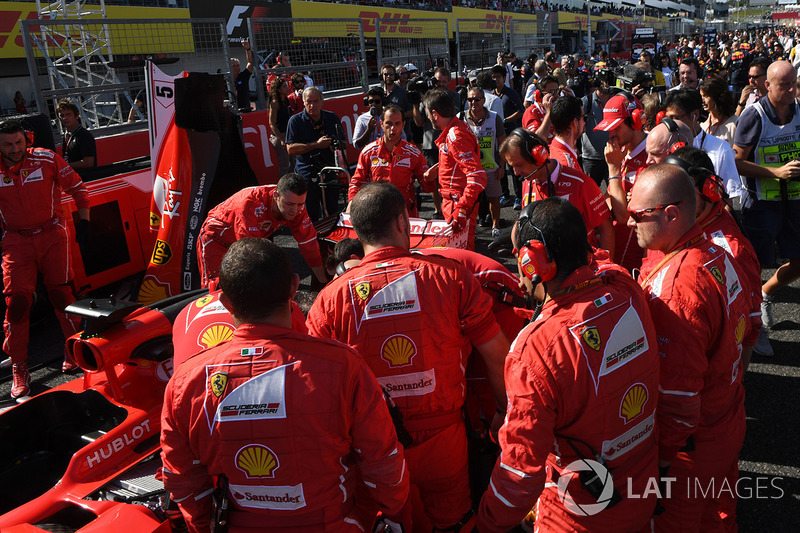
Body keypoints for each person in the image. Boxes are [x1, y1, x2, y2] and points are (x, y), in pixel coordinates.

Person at [161, 238, 411, 532]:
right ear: (294, 287)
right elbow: (381, 458)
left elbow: (181, 477)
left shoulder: (184, 382)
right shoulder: (343, 365)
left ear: (225, 302)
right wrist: (392, 511)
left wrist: (204, 525)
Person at [307, 182, 509, 532]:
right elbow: (496, 354)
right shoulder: (450, 276)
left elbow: (314, 391)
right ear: (404, 221)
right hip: (444, 438)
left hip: (372, 448)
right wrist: (503, 413)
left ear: (357, 230)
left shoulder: (328, 300)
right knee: (455, 522)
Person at [476, 197, 660, 533]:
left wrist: (486, 523)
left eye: (519, 257)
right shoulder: (625, 288)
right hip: (643, 487)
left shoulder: (535, 349)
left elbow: (520, 471)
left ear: (533, 263)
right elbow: (603, 265)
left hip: (577, 512)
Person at [627, 164, 749, 532]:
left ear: (671, 214)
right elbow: (751, 330)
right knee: (718, 519)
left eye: (636, 215)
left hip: (689, 450)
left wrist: (661, 463)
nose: (629, 223)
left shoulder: (678, 287)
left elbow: (676, 395)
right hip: (727, 416)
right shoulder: (718, 253)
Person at [0, 120, 90, 397]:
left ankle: (73, 349)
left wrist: (85, 223)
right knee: (16, 304)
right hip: (15, 240)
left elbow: (79, 188)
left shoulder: (47, 158)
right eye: (7, 145)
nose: (15, 149)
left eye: (19, 143)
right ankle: (19, 366)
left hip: (52, 233)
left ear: (26, 139)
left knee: (62, 296)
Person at [664, 147, 762, 371]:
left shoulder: (733, 251)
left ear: (707, 189)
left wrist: (735, 381)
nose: (672, 199)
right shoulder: (676, 221)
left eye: (682, 191)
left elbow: (751, 325)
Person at [734, 60, 800, 357]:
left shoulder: (799, 110)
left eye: (794, 83)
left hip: (795, 203)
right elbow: (735, 162)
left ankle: (765, 295)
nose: (791, 90)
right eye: (784, 85)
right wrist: (775, 172)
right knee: (753, 268)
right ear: (767, 86)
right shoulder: (754, 114)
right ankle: (753, 326)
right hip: (761, 205)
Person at [196, 173, 326, 288]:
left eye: (300, 204)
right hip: (216, 241)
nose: (295, 210)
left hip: (245, 239)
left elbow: (310, 245)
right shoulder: (250, 204)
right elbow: (249, 254)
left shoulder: (295, 206)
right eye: (289, 204)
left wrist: (324, 283)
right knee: (217, 288)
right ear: (276, 196)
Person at [500, 129, 613, 256]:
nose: (516, 173)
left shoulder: (580, 183)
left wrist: (606, 267)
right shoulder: (528, 182)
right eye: (512, 167)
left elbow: (606, 227)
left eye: (519, 165)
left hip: (580, 267)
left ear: (538, 156)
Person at [423, 88, 487, 250]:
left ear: (435, 114)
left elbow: (477, 176)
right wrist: (438, 169)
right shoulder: (457, 128)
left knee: (461, 260)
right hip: (453, 202)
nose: (428, 118)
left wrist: (462, 208)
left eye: (428, 114)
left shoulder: (455, 134)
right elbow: (458, 162)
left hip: (457, 204)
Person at [594, 92, 650, 270]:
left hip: (637, 255)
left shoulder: (652, 156)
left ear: (635, 121)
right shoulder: (622, 150)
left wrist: (613, 169)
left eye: (616, 127)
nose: (611, 134)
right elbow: (610, 197)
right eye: (609, 128)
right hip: (617, 247)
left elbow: (624, 216)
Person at [349, 105, 431, 217]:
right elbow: (357, 182)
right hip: (377, 214)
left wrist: (430, 177)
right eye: (389, 123)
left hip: (406, 215)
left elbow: (427, 187)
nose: (393, 128)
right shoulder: (368, 152)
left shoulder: (414, 153)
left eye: (397, 123)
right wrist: (351, 203)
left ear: (403, 125)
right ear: (381, 124)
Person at [663, 89, 740, 207]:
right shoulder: (663, 146)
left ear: (695, 115)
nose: (671, 124)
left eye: (676, 118)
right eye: (668, 119)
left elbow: (728, 198)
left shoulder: (721, 149)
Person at [286, 87, 345, 221]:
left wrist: (335, 145)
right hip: (307, 175)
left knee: (332, 213)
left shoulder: (332, 118)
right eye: (309, 102)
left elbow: (344, 143)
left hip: (330, 172)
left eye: (316, 101)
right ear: (304, 102)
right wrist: (316, 145)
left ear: (322, 101)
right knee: (311, 216)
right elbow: (291, 149)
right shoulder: (295, 121)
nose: (312, 105)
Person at [464, 87, 505, 237]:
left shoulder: (494, 118)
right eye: (470, 100)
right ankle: (469, 229)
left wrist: (502, 166)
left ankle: (496, 226)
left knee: (494, 199)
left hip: (491, 168)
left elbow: (503, 144)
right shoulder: (461, 118)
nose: (473, 102)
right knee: (470, 201)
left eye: (477, 99)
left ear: (483, 100)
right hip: (470, 171)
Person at [580, 80, 612, 187]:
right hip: (591, 159)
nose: (606, 83)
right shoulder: (586, 101)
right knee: (590, 193)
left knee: (614, 193)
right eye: (603, 80)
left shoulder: (616, 100)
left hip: (612, 155)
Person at [56, 98, 96, 170]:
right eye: (62, 115)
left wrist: (64, 166)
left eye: (68, 114)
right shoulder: (67, 135)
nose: (65, 118)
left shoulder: (84, 135)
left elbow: (88, 163)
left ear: (77, 115)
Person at [700, 76, 738, 149]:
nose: (702, 101)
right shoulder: (702, 126)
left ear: (717, 97)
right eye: (701, 96)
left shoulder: (735, 124)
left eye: (706, 96)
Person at [548, 94, 584, 171]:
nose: (584, 123)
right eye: (584, 118)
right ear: (575, 122)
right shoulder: (567, 166)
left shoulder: (551, 150)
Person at [268, 77, 293, 178]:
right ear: (278, 90)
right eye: (284, 86)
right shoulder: (275, 103)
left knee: (294, 162)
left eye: (287, 85)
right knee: (285, 166)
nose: (287, 88)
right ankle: (282, 189)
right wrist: (281, 138)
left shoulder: (286, 101)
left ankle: (292, 185)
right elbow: (272, 123)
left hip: (288, 135)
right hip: (280, 136)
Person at [522, 75, 559, 143]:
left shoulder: (559, 109)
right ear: (539, 95)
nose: (556, 95)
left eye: (557, 91)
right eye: (551, 92)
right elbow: (539, 139)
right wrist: (549, 113)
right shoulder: (532, 112)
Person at [231, 39, 254, 112]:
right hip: (232, 110)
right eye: (233, 66)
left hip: (245, 109)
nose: (236, 67)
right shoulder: (226, 80)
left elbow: (250, 63)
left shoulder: (243, 76)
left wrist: (247, 49)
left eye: (237, 65)